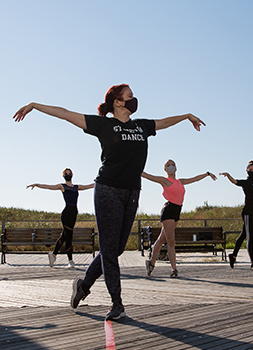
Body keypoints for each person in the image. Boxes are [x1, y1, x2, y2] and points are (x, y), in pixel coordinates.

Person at [13, 83, 205, 321]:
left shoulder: (141, 126)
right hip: (108, 190)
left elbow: (164, 122)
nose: (134, 100)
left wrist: (186, 116)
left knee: (115, 249)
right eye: (130, 97)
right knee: (110, 252)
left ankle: (83, 286)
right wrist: (34, 105)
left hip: (132, 192)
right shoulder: (105, 125)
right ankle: (117, 303)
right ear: (118, 102)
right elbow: (65, 113)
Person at [142, 160, 216, 278]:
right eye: (168, 165)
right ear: (165, 169)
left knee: (161, 239)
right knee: (171, 242)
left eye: (172, 164)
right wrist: (132, 167)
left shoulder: (180, 181)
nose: (171, 166)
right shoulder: (165, 181)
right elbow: (147, 176)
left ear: (176, 167)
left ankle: (151, 263)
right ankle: (174, 269)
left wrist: (207, 174)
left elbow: (194, 179)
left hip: (177, 211)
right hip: (168, 211)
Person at [27, 168, 94, 268]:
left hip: (74, 213)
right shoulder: (62, 186)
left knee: (64, 236)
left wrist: (101, 181)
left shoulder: (76, 187)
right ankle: (70, 261)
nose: (68, 175)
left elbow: (89, 186)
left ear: (72, 174)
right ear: (63, 176)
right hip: (66, 214)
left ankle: (53, 254)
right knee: (69, 236)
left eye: (69, 173)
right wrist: (37, 184)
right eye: (66, 174)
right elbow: (49, 187)